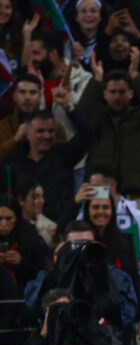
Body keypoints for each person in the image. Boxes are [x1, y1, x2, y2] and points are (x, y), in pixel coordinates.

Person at [23, 220, 139, 345]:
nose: (81, 250)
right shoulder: (48, 277)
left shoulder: (117, 277)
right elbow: (34, 305)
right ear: (64, 247)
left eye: (88, 244)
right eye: (76, 245)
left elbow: (126, 314)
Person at [79, 60, 140, 216]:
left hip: (135, 193)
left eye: (122, 92)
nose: (117, 97)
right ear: (104, 94)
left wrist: (136, 77)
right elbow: (81, 114)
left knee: (139, 238)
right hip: (101, 192)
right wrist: (97, 81)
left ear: (131, 93)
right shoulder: (98, 117)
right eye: (112, 92)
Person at [4, 98, 92, 227]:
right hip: (25, 231)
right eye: (40, 131)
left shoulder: (64, 155)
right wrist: (15, 140)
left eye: (50, 131)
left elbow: (88, 134)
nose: (47, 136)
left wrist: (68, 106)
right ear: (27, 133)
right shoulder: (14, 162)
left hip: (63, 227)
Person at [76, 172, 140, 308]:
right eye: (95, 207)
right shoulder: (78, 231)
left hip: (119, 306)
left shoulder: (135, 221)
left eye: (96, 188)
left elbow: (136, 273)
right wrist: (75, 202)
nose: (93, 192)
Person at [83, 196, 140, 341]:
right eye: (95, 207)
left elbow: (133, 278)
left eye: (106, 207)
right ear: (87, 210)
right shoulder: (79, 241)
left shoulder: (124, 240)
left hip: (120, 317)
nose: (101, 212)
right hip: (88, 315)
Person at [26, 30, 93, 135]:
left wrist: (69, 90)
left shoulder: (82, 78)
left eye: (36, 53)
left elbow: (87, 116)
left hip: (71, 148)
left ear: (53, 54)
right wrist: (33, 86)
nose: (31, 59)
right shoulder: (32, 80)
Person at [0, 73, 67, 165]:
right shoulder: (3, 126)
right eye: (22, 92)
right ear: (14, 96)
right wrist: (15, 140)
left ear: (40, 97)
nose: (27, 97)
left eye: (32, 92)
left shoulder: (55, 127)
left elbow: (65, 160)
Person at [0, 193, 46, 294]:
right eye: (0, 219)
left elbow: (41, 274)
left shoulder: (29, 237)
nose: (3, 224)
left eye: (8, 218)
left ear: (16, 218)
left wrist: (21, 262)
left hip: (23, 294)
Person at [14, 179, 56, 246]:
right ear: (21, 199)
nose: (41, 201)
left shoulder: (48, 225)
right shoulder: (13, 226)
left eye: (42, 196)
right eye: (36, 197)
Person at [64, 0, 102, 67]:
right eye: (83, 11)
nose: (88, 15)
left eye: (93, 11)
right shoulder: (68, 43)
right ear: (76, 17)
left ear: (100, 16)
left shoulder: (107, 42)